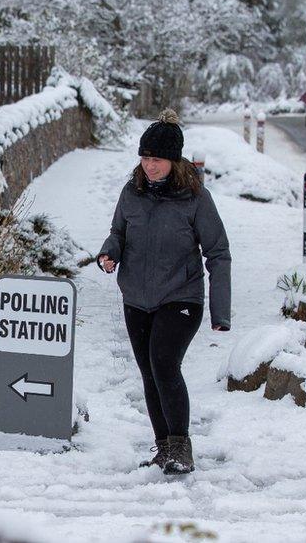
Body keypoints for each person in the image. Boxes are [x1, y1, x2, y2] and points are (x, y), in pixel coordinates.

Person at [96, 109, 231, 475]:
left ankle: (181, 447)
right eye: (144, 158)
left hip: (181, 296)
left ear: (173, 160)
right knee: (149, 372)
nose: (149, 166)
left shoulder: (195, 198)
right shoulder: (131, 192)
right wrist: (110, 254)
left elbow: (218, 253)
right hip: (137, 298)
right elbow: (118, 233)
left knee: (164, 364)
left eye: (156, 160)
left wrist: (221, 311)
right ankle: (163, 447)